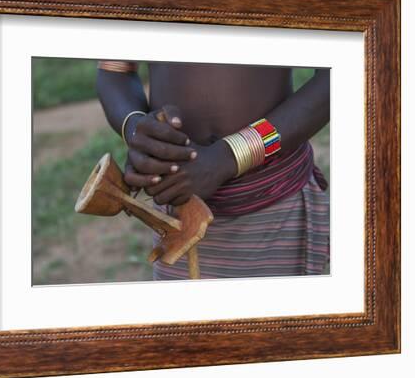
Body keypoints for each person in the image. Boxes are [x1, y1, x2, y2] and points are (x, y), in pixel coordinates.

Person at [95, 60, 330, 280]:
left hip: (273, 208)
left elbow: (337, 72)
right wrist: (139, 131)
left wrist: (228, 157)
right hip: (176, 219)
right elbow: (114, 69)